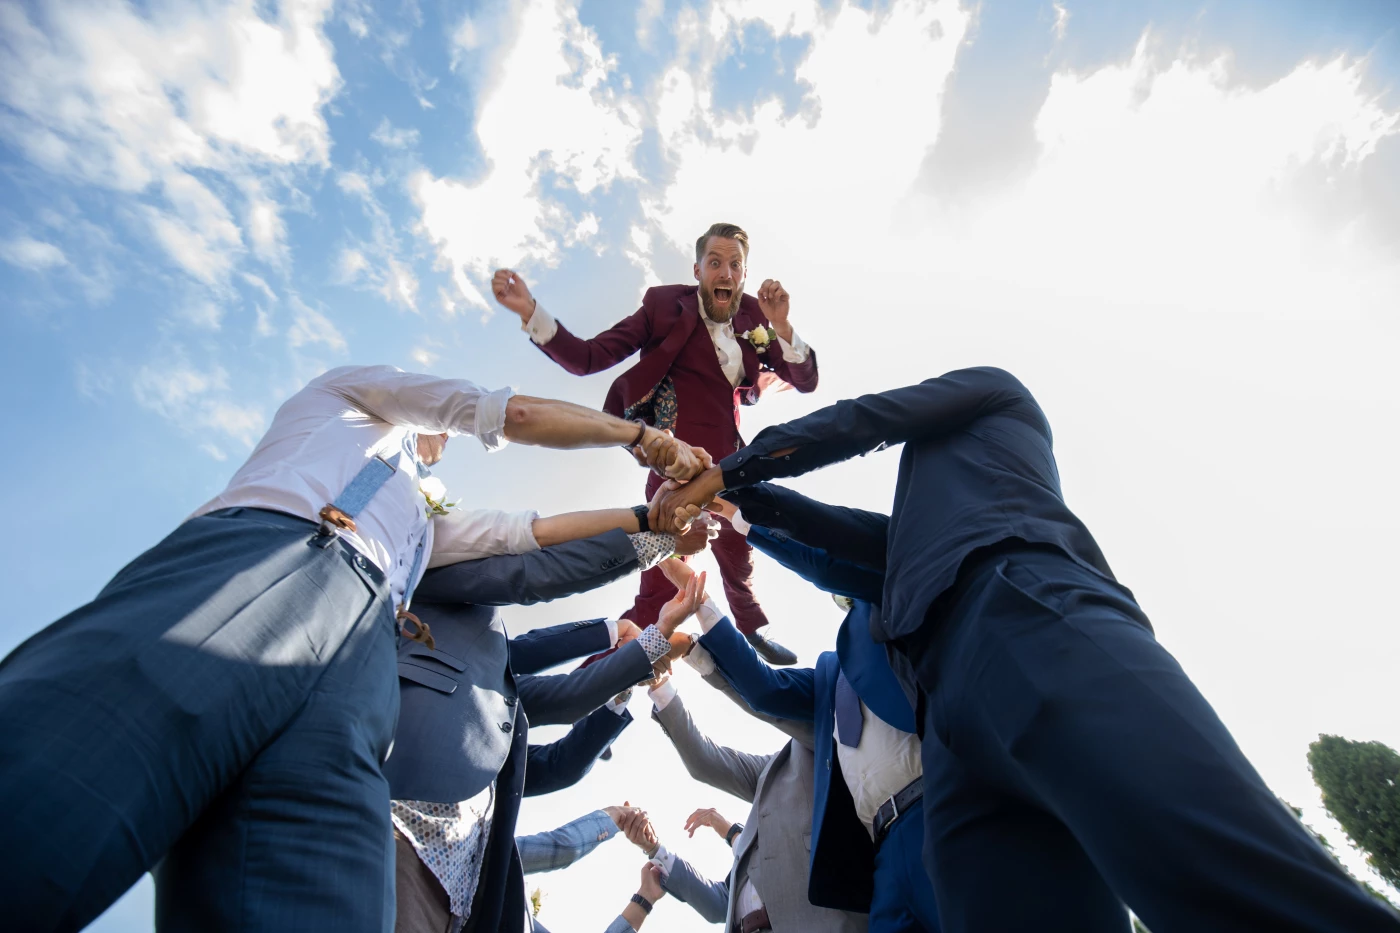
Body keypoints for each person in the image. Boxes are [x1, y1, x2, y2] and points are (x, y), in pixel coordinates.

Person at [651, 367, 1400, 933]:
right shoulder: (918, 536)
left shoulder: (994, 397)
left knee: (1220, 875)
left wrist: (735, 466)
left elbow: (867, 418)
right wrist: (737, 502)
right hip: (950, 715)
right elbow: (850, 544)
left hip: (1026, 606)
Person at [0, 363, 707, 933]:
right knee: (56, 791)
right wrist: (646, 440)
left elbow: (534, 540)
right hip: (276, 554)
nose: (445, 440)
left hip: (360, 673)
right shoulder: (350, 402)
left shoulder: (428, 523)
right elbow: (507, 414)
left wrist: (657, 524)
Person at [492, 222, 819, 665]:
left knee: (742, 552)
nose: (725, 273)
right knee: (661, 592)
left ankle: (752, 627)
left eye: (735, 266)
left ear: (744, 274)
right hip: (678, 467)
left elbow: (805, 380)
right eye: (715, 263)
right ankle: (597, 678)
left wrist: (780, 325)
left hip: (734, 464)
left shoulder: (753, 318)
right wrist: (532, 312)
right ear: (698, 269)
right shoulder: (663, 306)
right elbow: (589, 357)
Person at [388, 529, 713, 933]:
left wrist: (634, 647)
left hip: (462, 902)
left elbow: (562, 759)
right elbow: (528, 587)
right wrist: (639, 627)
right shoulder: (431, 609)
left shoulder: (498, 710)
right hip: (400, 841)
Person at [661, 558, 937, 933]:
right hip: (886, 850)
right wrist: (692, 632)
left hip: (933, 812)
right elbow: (763, 692)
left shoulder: (906, 647)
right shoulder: (826, 688)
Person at [637, 607, 869, 933]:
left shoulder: (833, 735)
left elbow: (765, 695)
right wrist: (660, 685)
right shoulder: (774, 768)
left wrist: (693, 651)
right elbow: (706, 761)